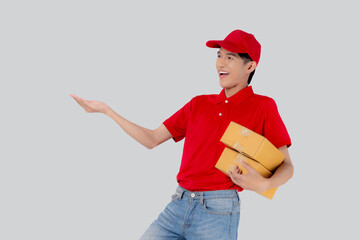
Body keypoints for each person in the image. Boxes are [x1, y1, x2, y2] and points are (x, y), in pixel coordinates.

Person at [70, 29, 294, 240]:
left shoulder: (263, 106)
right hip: (178, 202)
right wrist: (107, 111)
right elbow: (152, 139)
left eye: (230, 57)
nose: (220, 63)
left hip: (218, 209)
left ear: (250, 66)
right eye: (219, 55)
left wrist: (264, 185)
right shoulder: (198, 103)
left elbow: (287, 166)